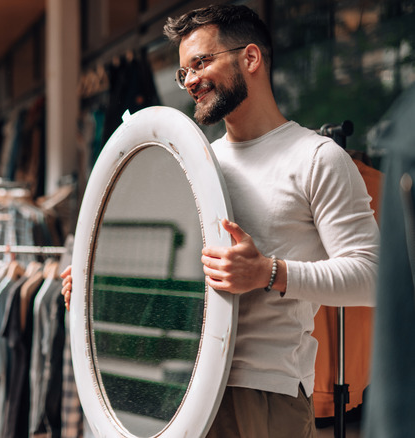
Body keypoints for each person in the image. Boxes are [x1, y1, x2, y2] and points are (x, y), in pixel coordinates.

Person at [62, 4, 378, 437]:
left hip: (265, 393)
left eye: (201, 62)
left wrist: (269, 272)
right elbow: (181, 286)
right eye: (182, 72)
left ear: (250, 58)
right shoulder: (196, 163)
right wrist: (94, 286)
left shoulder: (317, 158)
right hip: (182, 393)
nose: (189, 80)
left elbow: (374, 277)